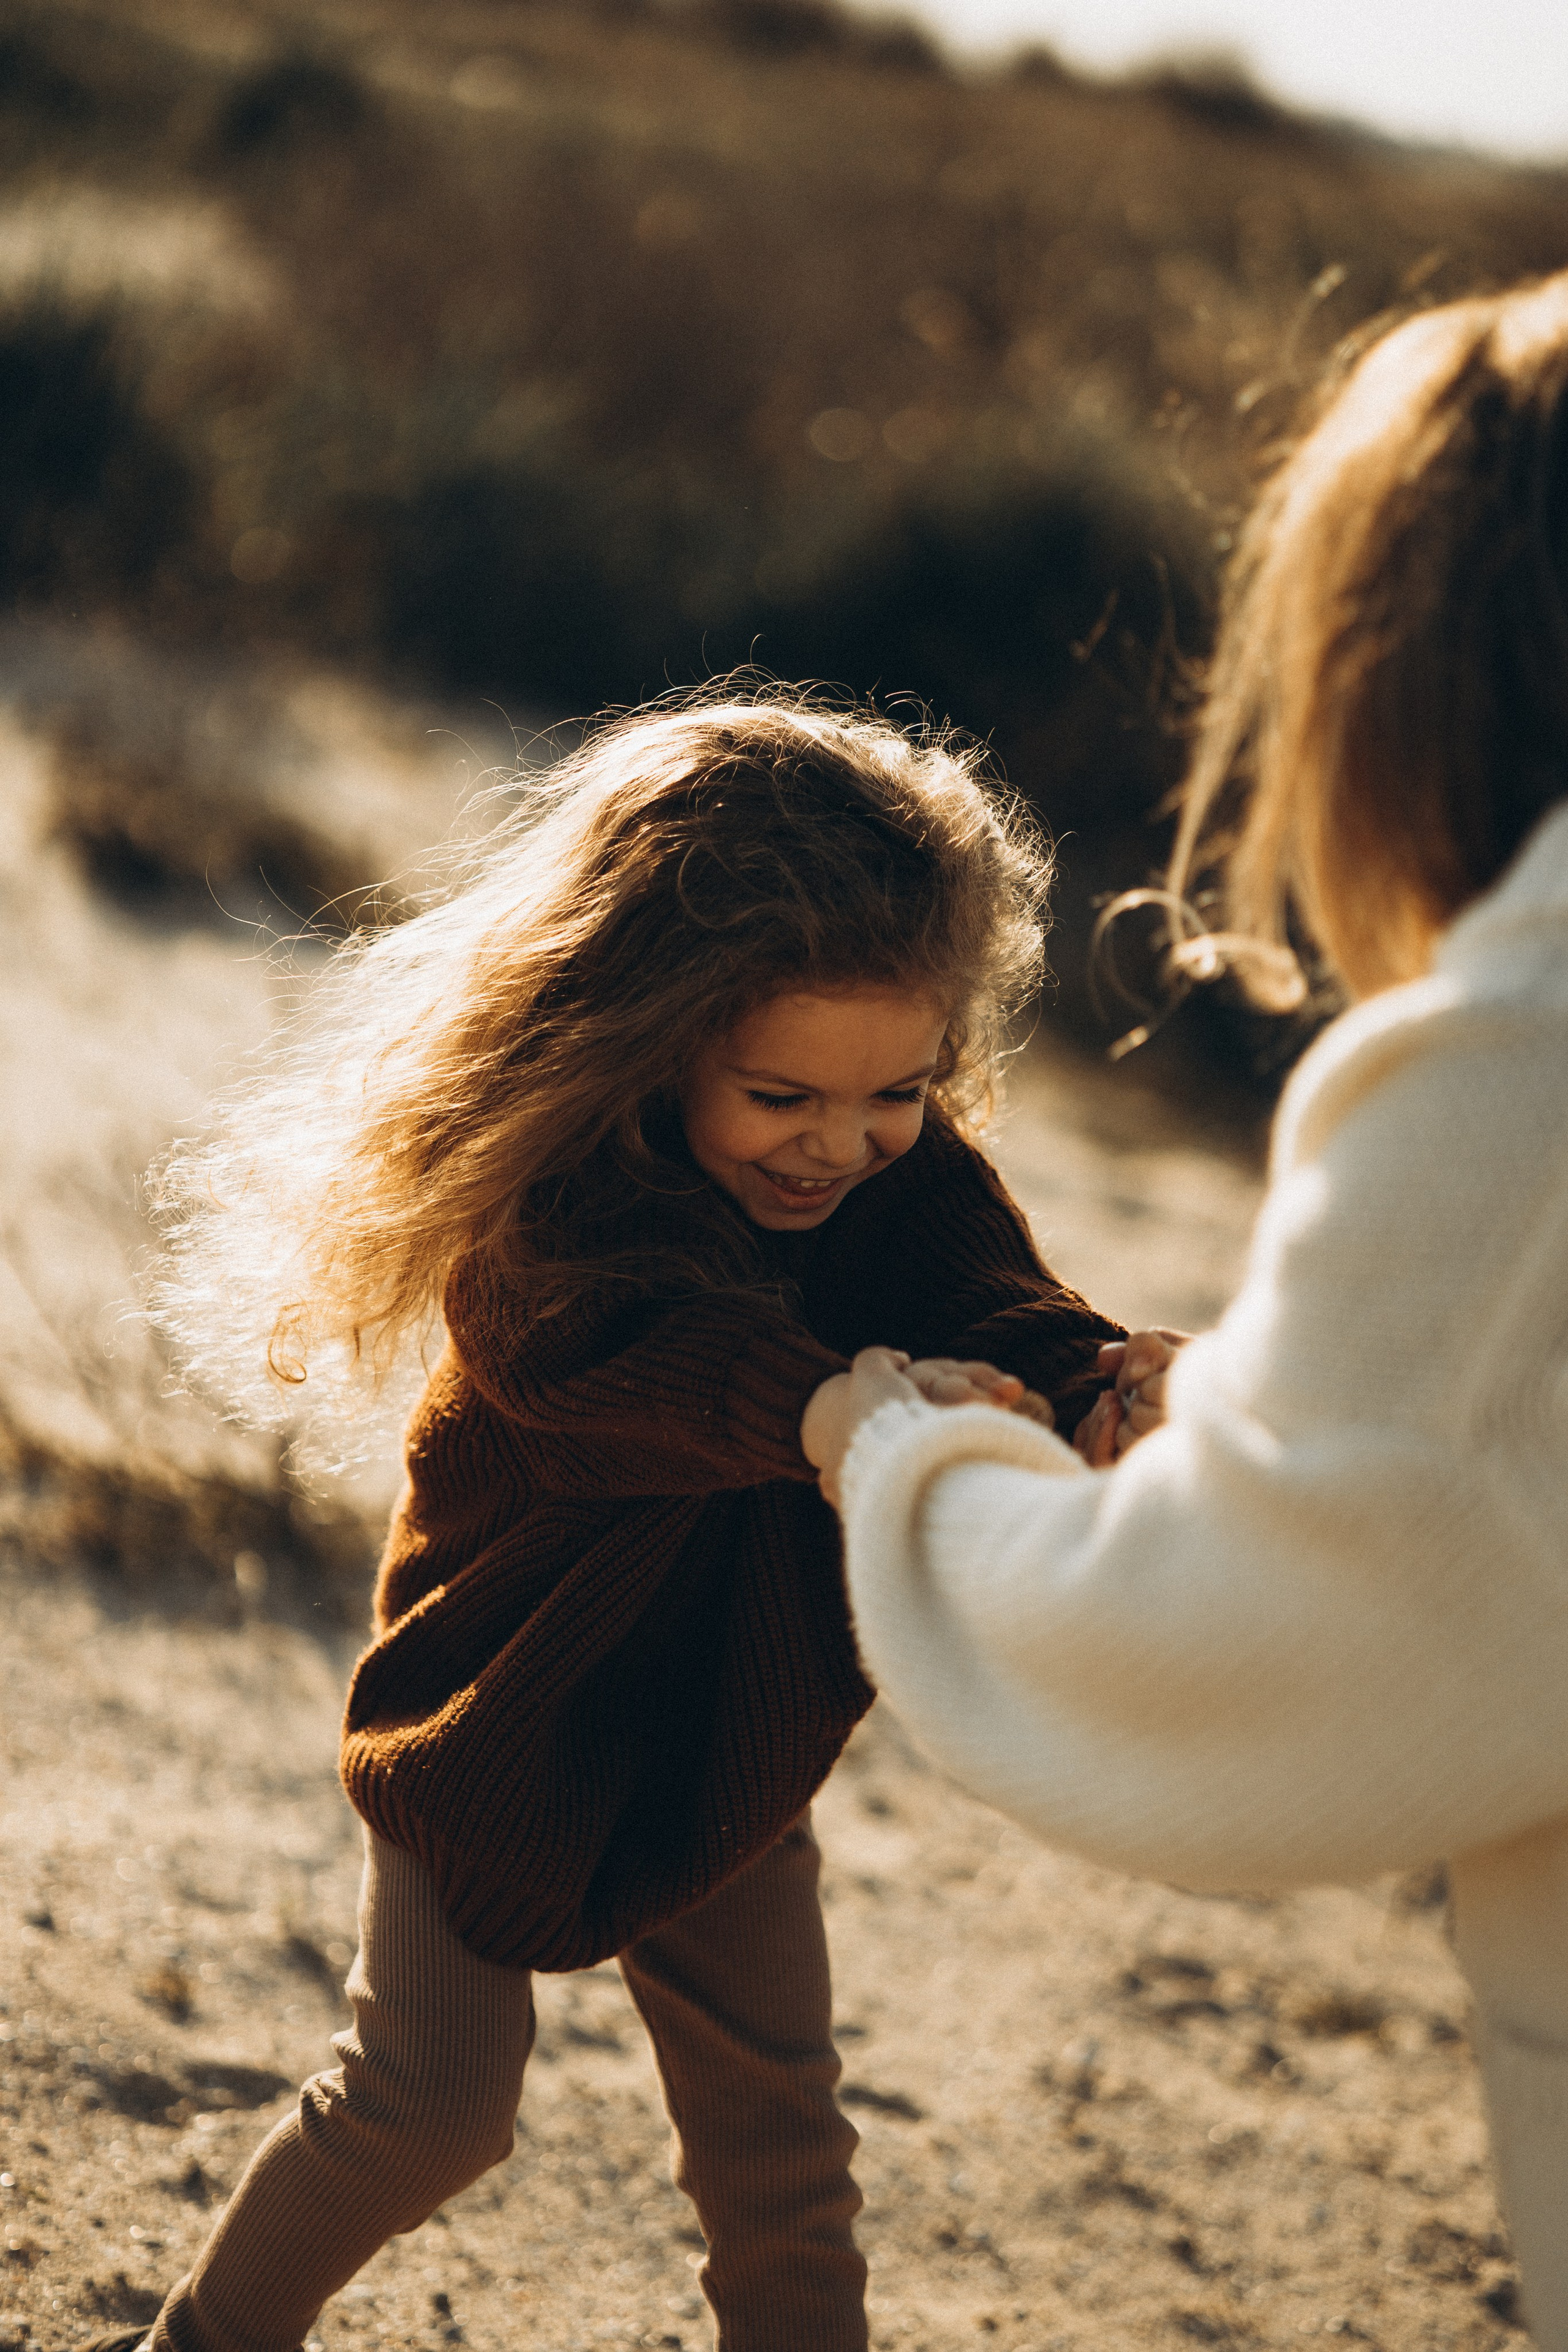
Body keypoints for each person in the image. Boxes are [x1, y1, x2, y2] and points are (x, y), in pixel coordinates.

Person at [96, 694, 1126, 2352]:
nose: (842, 1147)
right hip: (498, 1720)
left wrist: (1097, 1388)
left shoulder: (889, 1180)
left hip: (729, 1725)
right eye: (784, 1095)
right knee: (427, 2109)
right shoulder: (554, 1217)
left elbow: (995, 1306)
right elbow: (619, 1360)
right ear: (649, 1039)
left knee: (784, 2149)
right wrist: (826, 1413)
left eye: (899, 1094)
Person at [802, 271, 1568, 2348]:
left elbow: (1242, 1649)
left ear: (1419, 667)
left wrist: (898, 1452)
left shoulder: (1522, 1060)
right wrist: (1244, 1402)